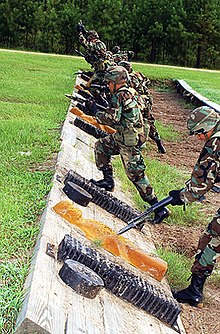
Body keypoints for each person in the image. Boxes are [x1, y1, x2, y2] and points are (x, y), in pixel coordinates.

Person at [89, 65, 169, 224]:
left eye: (109, 83)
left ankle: (160, 209)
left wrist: (94, 111)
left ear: (115, 82)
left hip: (129, 141)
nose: (107, 86)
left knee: (136, 175)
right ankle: (108, 181)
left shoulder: (119, 96)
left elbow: (112, 119)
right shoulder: (132, 92)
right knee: (101, 147)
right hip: (124, 137)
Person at [169, 106, 220, 306]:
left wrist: (181, 196)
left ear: (208, 126)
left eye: (199, 132)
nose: (199, 138)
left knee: (212, 238)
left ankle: (194, 291)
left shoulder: (215, 142)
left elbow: (201, 183)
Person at [118, 61, 166, 154]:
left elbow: (129, 91)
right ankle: (159, 143)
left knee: (139, 122)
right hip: (146, 100)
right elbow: (147, 80)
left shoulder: (129, 78)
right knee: (149, 121)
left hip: (140, 101)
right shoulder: (137, 74)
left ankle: (139, 144)